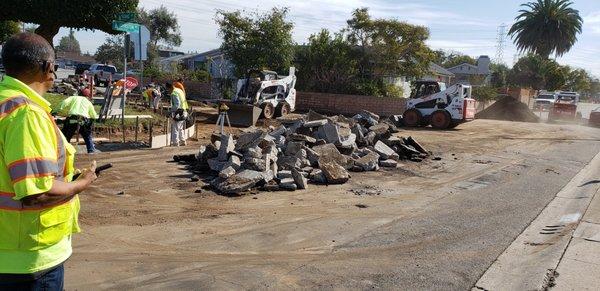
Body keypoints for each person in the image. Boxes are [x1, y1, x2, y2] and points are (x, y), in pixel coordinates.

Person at [0, 33, 97, 290]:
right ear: (48, 68)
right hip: (28, 259)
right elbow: (37, 194)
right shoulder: (27, 114)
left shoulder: (5, 103)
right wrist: (82, 183)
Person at [53, 88, 99, 154]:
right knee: (87, 136)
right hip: (83, 120)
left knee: (66, 136)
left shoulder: (73, 98)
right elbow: (93, 115)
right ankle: (91, 150)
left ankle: (62, 151)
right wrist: (91, 120)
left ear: (79, 93)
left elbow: (64, 103)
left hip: (72, 119)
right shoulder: (88, 102)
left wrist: (55, 111)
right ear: (88, 96)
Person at [166, 82, 189, 146]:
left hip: (179, 112)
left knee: (175, 128)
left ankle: (175, 142)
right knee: (180, 128)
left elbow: (176, 105)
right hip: (184, 111)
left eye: (168, 90)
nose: (168, 91)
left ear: (170, 88)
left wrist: (170, 112)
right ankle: (183, 141)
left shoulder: (174, 93)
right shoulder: (179, 90)